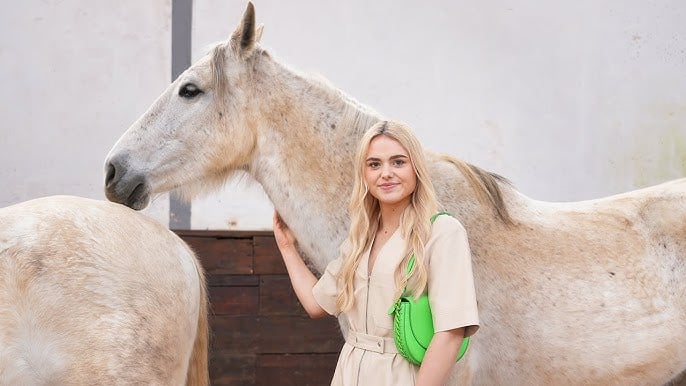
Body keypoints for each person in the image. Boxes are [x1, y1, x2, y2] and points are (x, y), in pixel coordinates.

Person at [273, 120, 479, 386]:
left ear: (416, 168)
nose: (386, 173)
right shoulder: (361, 238)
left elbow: (451, 333)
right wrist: (286, 246)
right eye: (374, 164)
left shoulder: (442, 232)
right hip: (349, 373)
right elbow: (316, 304)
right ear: (365, 175)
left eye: (398, 162)